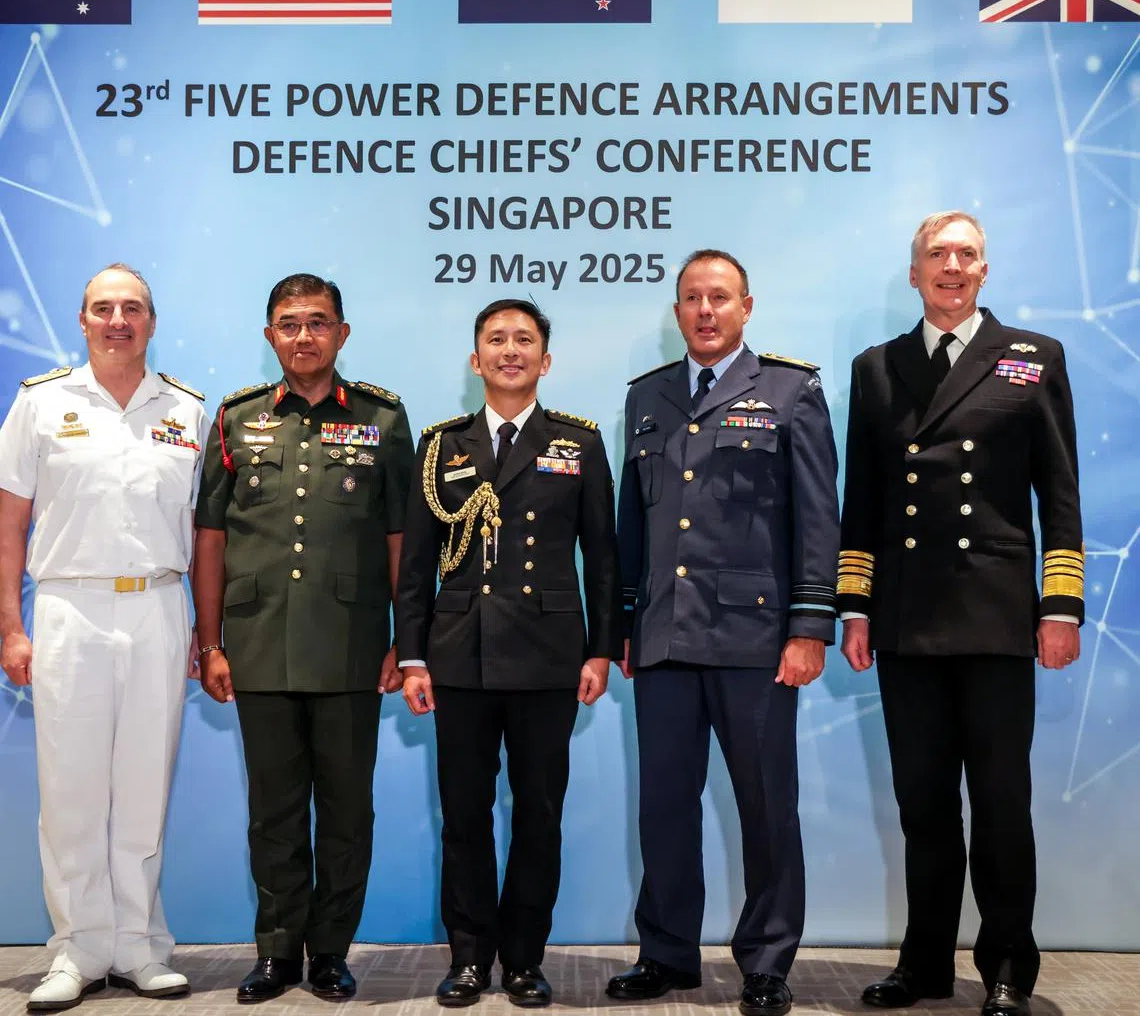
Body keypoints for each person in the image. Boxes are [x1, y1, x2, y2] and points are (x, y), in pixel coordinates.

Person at [838, 211, 1083, 1016]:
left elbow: (1061, 494)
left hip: (999, 615)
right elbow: (864, 500)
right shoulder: (876, 368)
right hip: (908, 619)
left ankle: (1009, 965)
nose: (951, 266)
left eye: (966, 254)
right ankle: (925, 964)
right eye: (936, 255)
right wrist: (855, 605)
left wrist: (1062, 605)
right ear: (914, 274)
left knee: (1003, 800)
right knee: (924, 803)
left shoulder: (1031, 358)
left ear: (985, 271)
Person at [607, 250, 841, 1016]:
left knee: (766, 805)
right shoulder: (648, 396)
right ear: (677, 313)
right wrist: (623, 628)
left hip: (756, 640)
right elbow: (631, 526)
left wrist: (809, 627)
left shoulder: (790, 390)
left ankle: (767, 961)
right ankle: (667, 952)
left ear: (747, 306)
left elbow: (817, 522)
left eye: (719, 298)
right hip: (666, 638)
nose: (705, 311)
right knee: (665, 804)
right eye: (691, 299)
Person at [192, 273, 414, 1003]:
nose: (303, 336)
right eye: (289, 324)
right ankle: (276, 952)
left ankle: (330, 953)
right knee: (275, 813)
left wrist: (402, 639)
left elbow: (398, 538)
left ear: (342, 334)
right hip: (257, 645)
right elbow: (212, 536)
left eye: (318, 322)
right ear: (270, 337)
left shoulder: (383, 417)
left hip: (351, 646)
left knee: (347, 811)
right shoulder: (236, 418)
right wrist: (210, 640)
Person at [396, 299, 621, 1008]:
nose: (510, 350)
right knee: (463, 815)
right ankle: (469, 957)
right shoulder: (442, 446)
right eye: (496, 339)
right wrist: (412, 658)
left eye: (524, 340)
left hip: (550, 655)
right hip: (459, 654)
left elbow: (604, 558)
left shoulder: (576, 443)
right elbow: (415, 567)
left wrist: (601, 651)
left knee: (538, 813)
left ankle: (524, 957)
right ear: (475, 360)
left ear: (545, 360)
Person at [0, 264, 206, 1010]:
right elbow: (8, 524)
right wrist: (10, 627)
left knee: (145, 787)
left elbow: (202, 530)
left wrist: (202, 630)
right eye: (103, 308)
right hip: (68, 609)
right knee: (72, 789)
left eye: (133, 308)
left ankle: (139, 947)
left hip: (157, 604)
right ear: (82, 321)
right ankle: (76, 950)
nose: (118, 320)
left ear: (152, 321)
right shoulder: (41, 404)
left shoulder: (187, 410)